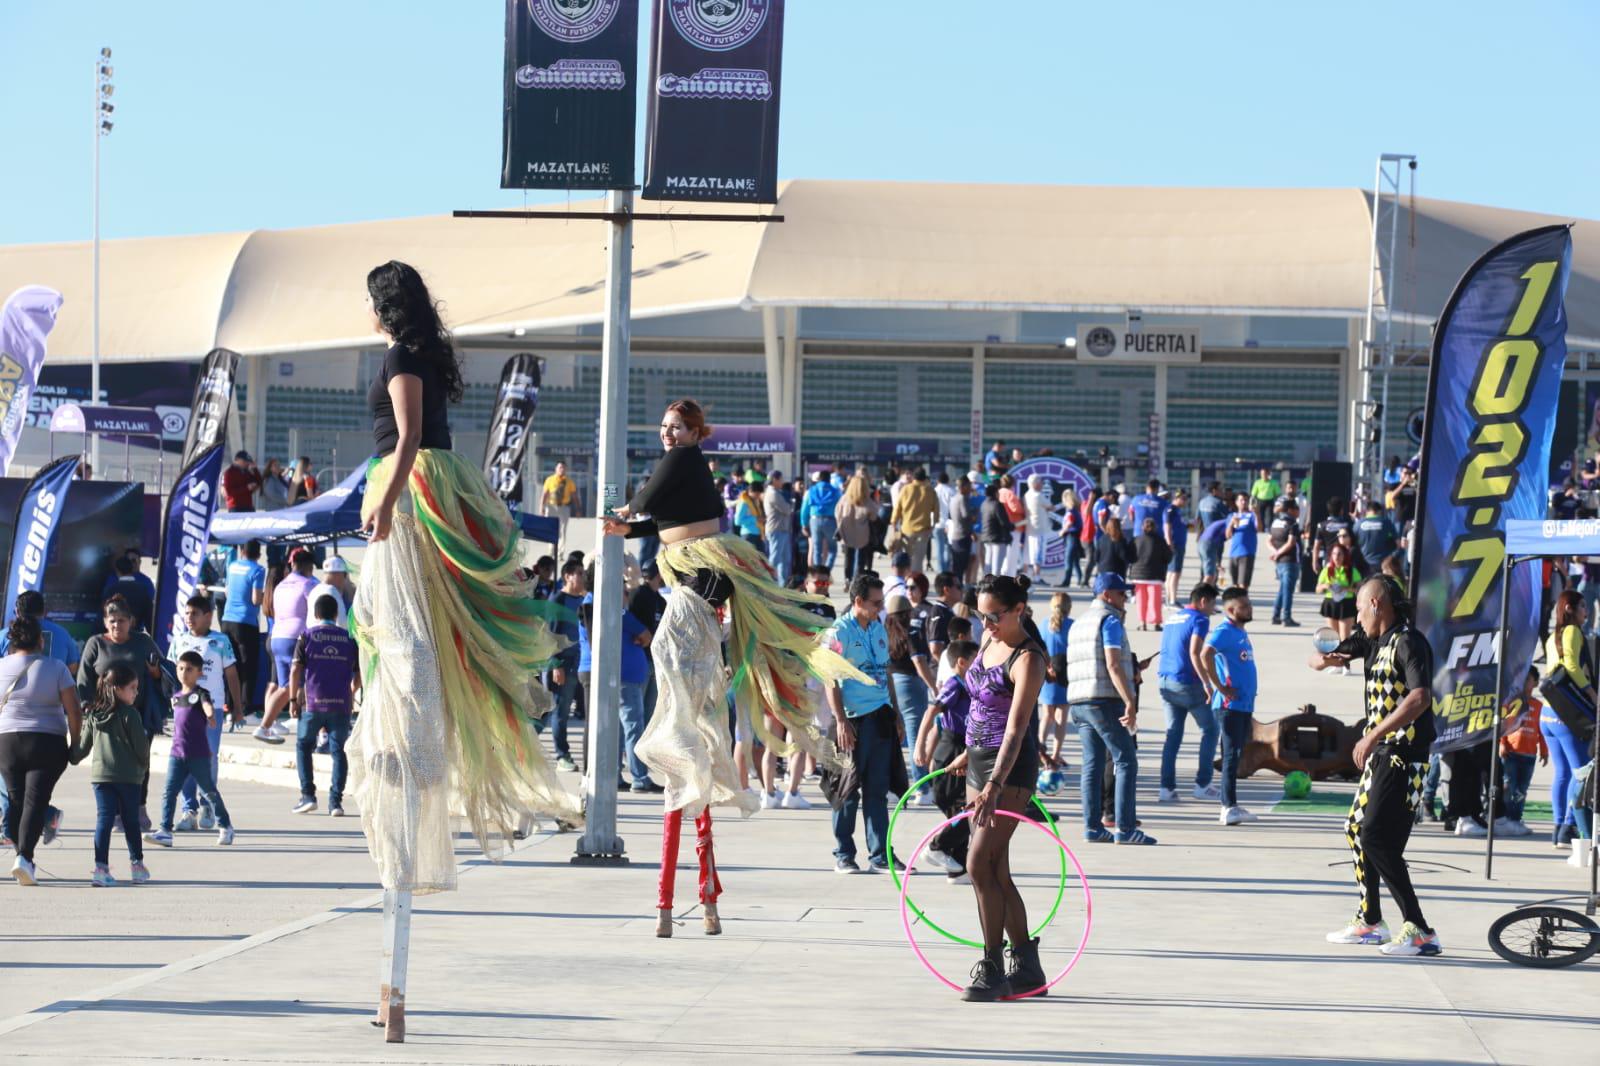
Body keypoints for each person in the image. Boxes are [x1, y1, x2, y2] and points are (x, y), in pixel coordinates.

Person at [354, 263, 579, 1036]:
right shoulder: (425, 352)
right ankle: (416, 743)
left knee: (410, 630)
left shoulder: (398, 360)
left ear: (383, 308)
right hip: (436, 487)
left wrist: (382, 504)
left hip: (416, 495)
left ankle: (415, 752)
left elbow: (411, 436)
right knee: (430, 631)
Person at [603, 398, 859, 939]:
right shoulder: (688, 470)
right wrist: (625, 529)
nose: (669, 434)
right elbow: (658, 517)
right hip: (694, 596)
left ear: (696, 432)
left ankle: (681, 902)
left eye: (678, 427)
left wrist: (621, 514)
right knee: (691, 742)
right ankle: (702, 901)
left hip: (692, 604)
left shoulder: (682, 460)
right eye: (665, 427)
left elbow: (646, 502)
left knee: (683, 724)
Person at [1312, 577, 1442, 957]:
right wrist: (1322, 659)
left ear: (1375, 605)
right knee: (1357, 829)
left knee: (1378, 839)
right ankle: (1370, 920)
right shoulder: (1372, 640)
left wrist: (1372, 735)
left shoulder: (1408, 642)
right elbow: (1325, 655)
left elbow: (1419, 697)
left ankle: (1419, 930)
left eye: (1357, 607)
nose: (1354, 615)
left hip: (1405, 753)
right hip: (1382, 753)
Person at [947, 574, 1049, 1001]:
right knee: (995, 869)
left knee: (976, 864)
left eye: (994, 616)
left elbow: (1015, 728)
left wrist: (992, 782)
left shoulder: (1029, 658)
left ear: (1018, 610)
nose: (985, 625)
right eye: (980, 615)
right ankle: (1027, 968)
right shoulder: (989, 642)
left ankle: (992, 966)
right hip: (979, 765)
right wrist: (968, 754)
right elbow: (978, 703)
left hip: (1009, 772)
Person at [1066, 573, 1155, 846]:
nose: (1125, 598)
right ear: (1106, 594)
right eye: (1120, 593)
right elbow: (1113, 664)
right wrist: (1129, 699)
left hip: (1079, 701)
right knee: (1126, 759)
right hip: (1103, 699)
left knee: (1092, 765)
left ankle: (1092, 827)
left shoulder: (1079, 623)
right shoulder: (1110, 621)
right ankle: (1125, 828)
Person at [824, 574, 900, 876]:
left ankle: (880, 854)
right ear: (858, 602)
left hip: (880, 715)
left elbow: (887, 671)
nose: (880, 608)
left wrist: (895, 713)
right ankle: (844, 853)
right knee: (847, 789)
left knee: (877, 790)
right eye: (875, 603)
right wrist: (841, 720)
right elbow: (829, 677)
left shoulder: (878, 628)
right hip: (852, 719)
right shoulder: (838, 632)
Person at [0, 614, 83, 885]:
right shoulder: (56, 668)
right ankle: (24, 857)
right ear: (40, 639)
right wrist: (75, 743)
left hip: (8, 743)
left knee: (16, 801)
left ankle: (23, 858)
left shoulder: (1, 667)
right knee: (34, 802)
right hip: (47, 743)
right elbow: (73, 710)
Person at [75, 597, 164, 831]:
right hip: (106, 718)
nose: (117, 626)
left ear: (131, 621)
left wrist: (155, 672)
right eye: (112, 621)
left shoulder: (143, 642)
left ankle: (138, 808)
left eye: (122, 621)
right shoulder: (96, 644)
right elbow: (84, 678)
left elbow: (162, 673)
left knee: (140, 762)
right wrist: (86, 704)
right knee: (111, 764)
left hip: (139, 714)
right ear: (105, 622)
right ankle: (114, 813)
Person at [169, 594, 248, 828]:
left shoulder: (220, 641)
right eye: (186, 613)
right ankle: (188, 810)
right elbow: (170, 674)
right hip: (185, 709)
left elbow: (231, 675)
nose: (189, 618)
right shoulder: (179, 640)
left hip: (211, 708)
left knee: (208, 758)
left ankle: (208, 805)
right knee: (184, 757)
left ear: (208, 616)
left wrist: (238, 708)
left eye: (194, 613)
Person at [69, 662, 151, 886]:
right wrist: (143, 768)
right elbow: (142, 748)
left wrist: (69, 753)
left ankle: (100, 868)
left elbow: (81, 750)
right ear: (117, 688)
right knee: (131, 821)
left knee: (103, 820)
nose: (136, 692)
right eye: (132, 687)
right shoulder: (131, 715)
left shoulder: (94, 715)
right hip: (129, 779)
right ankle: (137, 866)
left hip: (101, 777)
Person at [145, 651, 236, 848]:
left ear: (199, 673)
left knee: (209, 792)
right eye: (180, 668)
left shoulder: (201, 693)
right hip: (177, 753)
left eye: (189, 669)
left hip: (198, 755)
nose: (184, 673)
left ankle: (225, 826)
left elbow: (207, 706)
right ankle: (165, 831)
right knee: (169, 792)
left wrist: (211, 716)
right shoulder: (176, 695)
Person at [913, 639, 978, 885]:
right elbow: (932, 712)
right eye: (975, 661)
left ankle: (958, 869)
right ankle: (936, 847)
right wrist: (920, 745)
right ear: (961, 663)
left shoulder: (971, 685)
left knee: (960, 812)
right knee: (968, 809)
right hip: (952, 750)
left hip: (964, 747)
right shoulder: (955, 685)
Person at [289, 594, 361, 816]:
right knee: (339, 751)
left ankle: (308, 796)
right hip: (341, 704)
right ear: (336, 614)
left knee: (303, 745)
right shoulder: (349, 638)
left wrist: (293, 699)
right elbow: (359, 673)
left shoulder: (307, 636)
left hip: (313, 703)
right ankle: (335, 802)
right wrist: (351, 692)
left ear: (316, 614)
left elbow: (295, 670)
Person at [1200, 587, 1259, 826]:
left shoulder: (1239, 632)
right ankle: (1227, 807)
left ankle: (1231, 803)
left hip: (1243, 705)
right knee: (1230, 756)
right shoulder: (1224, 631)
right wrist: (1219, 687)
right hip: (1229, 705)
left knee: (1236, 755)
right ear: (1231, 610)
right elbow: (1205, 654)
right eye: (1244, 606)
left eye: (1249, 604)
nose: (1249, 608)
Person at [1540, 589, 1594, 847]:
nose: (1587, 611)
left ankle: (1559, 826)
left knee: (1562, 772)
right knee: (1581, 770)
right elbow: (1571, 666)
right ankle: (1569, 825)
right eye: (1583, 606)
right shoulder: (1572, 631)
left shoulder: (1553, 636)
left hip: (1548, 711)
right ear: (1570, 609)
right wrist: (1592, 694)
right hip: (1566, 713)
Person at [1157, 582, 1220, 804]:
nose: (1213, 609)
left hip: (1166, 681)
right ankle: (1203, 784)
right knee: (1211, 730)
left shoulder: (1174, 617)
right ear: (1203, 601)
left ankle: (1166, 788)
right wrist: (1207, 683)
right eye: (1212, 603)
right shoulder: (1200, 619)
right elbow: (1195, 652)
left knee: (1173, 735)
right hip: (1187, 683)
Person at [257, 548, 317, 743]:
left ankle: (265, 726)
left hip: (277, 638)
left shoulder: (281, 585)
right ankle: (314, 731)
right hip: (297, 638)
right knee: (311, 683)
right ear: (309, 567)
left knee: (284, 687)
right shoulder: (310, 584)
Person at [885, 591, 937, 805]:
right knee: (916, 737)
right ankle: (922, 788)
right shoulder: (912, 631)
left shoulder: (882, 632)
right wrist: (933, 686)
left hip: (890, 683)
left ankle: (889, 786)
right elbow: (919, 662)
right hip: (911, 684)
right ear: (907, 613)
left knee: (892, 736)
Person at [1496, 667, 1546, 839]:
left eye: (1529, 679)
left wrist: (1545, 751)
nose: (1526, 683)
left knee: (1521, 789)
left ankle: (1516, 818)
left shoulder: (1539, 706)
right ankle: (1505, 817)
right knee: (1508, 785)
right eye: (1523, 679)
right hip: (1511, 752)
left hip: (1529, 754)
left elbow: (1542, 731)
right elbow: (1503, 725)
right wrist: (1502, 743)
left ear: (1536, 683)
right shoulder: (1512, 702)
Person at [220, 542, 267, 722]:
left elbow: (226, 592)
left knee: (231, 666)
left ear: (241, 551)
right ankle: (245, 711)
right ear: (259, 553)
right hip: (246, 622)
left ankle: (230, 706)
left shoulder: (232, 566)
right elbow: (256, 599)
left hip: (227, 620)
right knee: (249, 668)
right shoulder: (258, 570)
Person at [1039, 592, 1073, 773]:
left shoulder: (1044, 624)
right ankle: (1055, 754)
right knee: (1061, 717)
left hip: (1048, 672)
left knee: (1047, 715)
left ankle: (1040, 748)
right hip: (1065, 674)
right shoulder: (1072, 625)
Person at [891, 468, 940, 575]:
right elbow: (936, 511)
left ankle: (906, 579)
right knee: (918, 561)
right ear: (924, 478)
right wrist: (933, 525)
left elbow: (897, 508)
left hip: (907, 530)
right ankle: (916, 583)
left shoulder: (905, 489)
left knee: (907, 559)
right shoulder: (930, 491)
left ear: (914, 477)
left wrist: (894, 523)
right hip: (923, 530)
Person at [1129, 516, 1172, 631]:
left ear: (1142, 527)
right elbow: (1168, 557)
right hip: (1155, 575)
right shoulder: (1160, 541)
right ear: (1155, 527)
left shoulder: (1136, 540)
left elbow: (1130, 556)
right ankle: (1156, 623)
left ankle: (1142, 622)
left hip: (1138, 575)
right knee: (1155, 600)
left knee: (1141, 600)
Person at [1316, 543, 1363, 646]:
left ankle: (1344, 660)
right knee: (1333, 637)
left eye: (1339, 554)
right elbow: (1317, 589)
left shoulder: (1351, 571)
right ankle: (1336, 659)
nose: (1336, 557)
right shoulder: (1327, 570)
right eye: (1334, 554)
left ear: (1344, 555)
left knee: (1345, 638)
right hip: (1331, 603)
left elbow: (1360, 589)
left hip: (1346, 604)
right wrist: (1325, 586)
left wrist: (1346, 588)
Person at [1267, 498, 1303, 627]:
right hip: (1290, 560)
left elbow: (1269, 540)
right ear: (1290, 510)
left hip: (1279, 562)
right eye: (1296, 509)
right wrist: (1278, 553)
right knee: (1288, 591)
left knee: (1282, 589)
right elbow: (1291, 542)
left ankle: (1276, 615)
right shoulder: (1292, 523)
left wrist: (1274, 553)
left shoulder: (1275, 522)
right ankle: (1286, 617)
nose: (1298, 511)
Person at [834, 473, 877, 582]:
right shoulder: (867, 501)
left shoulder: (844, 498)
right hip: (863, 533)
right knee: (861, 559)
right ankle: (857, 580)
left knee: (848, 557)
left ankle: (847, 578)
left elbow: (837, 512)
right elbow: (874, 516)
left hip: (847, 531)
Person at [101, 552, 156, 632]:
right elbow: (149, 618)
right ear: (132, 569)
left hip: (115, 635)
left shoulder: (111, 590)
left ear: (118, 571)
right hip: (136, 635)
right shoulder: (143, 590)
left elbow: (103, 615)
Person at [802, 469, 843, 571]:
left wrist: (804, 524)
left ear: (819, 479)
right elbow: (841, 508)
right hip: (830, 521)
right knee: (832, 549)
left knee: (816, 549)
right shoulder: (836, 491)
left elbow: (804, 509)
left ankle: (817, 573)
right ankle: (827, 571)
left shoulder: (811, 490)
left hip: (814, 520)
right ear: (829, 479)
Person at [763, 470, 795, 588]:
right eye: (781, 479)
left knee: (784, 559)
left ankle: (782, 585)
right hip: (776, 529)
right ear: (775, 480)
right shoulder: (773, 494)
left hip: (782, 529)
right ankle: (768, 582)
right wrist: (791, 505)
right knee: (775, 558)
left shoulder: (775, 492)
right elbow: (787, 509)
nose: (782, 482)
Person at [306, 556, 356, 630]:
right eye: (345, 575)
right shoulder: (332, 591)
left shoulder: (314, 591)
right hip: (329, 637)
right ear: (338, 574)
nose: (345, 579)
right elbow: (342, 623)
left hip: (314, 635)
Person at [1354, 499, 1401, 577]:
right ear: (1379, 511)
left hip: (1363, 564)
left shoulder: (1358, 524)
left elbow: (1351, 543)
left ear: (1367, 511)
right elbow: (1398, 543)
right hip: (1382, 565)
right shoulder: (1386, 522)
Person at [1022, 475, 1057, 580]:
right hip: (1039, 528)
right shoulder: (1038, 495)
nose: (1042, 485)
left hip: (1030, 528)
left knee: (1027, 553)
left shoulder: (1026, 495)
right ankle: (1037, 576)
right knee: (1038, 552)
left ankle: (1025, 575)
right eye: (1040, 482)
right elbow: (1051, 507)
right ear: (1035, 483)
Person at [541, 460, 578, 553]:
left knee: (562, 530)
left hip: (564, 507)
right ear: (556, 469)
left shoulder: (569, 482)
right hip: (551, 507)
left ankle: (560, 552)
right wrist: (541, 507)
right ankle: (551, 550)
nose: (562, 469)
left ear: (566, 469)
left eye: (563, 468)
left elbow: (574, 496)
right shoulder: (550, 480)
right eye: (560, 467)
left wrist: (577, 509)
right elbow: (545, 494)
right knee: (550, 529)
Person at [979, 480, 1013, 577]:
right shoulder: (997, 505)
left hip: (986, 536)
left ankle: (986, 584)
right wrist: (1012, 526)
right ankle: (994, 587)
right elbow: (1004, 522)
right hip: (997, 538)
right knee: (996, 566)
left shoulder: (983, 504)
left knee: (988, 564)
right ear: (995, 493)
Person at [1225, 493, 1258, 591]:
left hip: (1247, 553)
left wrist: (1257, 514)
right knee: (1235, 586)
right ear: (1236, 502)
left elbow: (1259, 528)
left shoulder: (1251, 515)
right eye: (1241, 500)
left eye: (1246, 500)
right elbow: (1228, 535)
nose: (1244, 502)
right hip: (1233, 553)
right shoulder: (1231, 515)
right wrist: (1231, 523)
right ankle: (1237, 605)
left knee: (1243, 586)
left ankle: (1244, 605)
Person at [946, 476, 975, 582]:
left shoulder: (954, 498)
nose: (970, 488)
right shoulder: (963, 498)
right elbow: (966, 515)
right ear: (964, 486)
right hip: (963, 535)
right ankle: (959, 588)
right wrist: (974, 515)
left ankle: (957, 587)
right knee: (961, 566)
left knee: (957, 566)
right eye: (969, 486)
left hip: (956, 535)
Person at [1164, 490, 1190, 607]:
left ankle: (1170, 598)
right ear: (1176, 498)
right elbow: (1167, 526)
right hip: (1175, 544)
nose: (1185, 501)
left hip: (1179, 544)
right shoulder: (1171, 510)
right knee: (1174, 572)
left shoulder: (1178, 511)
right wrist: (1169, 543)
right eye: (1183, 498)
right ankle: (1172, 600)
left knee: (1172, 572)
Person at [998, 475, 1026, 577]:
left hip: (1003, 526)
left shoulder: (999, 492)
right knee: (1012, 555)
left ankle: (1004, 573)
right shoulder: (1009, 493)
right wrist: (1023, 506)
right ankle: (1009, 576)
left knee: (1005, 553)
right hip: (1014, 526)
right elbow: (1016, 508)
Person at [733, 471, 767, 552]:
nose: (759, 496)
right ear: (751, 492)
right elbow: (737, 521)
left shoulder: (754, 501)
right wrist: (755, 519)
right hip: (748, 535)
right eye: (757, 494)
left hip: (758, 535)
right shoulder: (744, 502)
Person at [1094, 515, 1133, 581]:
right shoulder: (1120, 540)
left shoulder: (1102, 539)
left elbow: (1096, 557)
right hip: (1117, 573)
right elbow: (1124, 556)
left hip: (1103, 572)